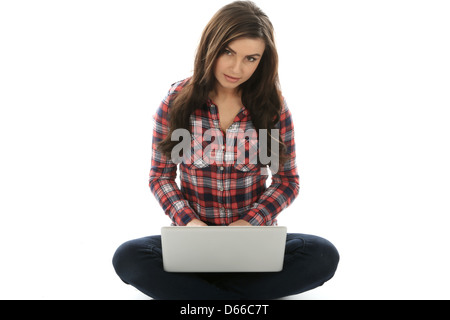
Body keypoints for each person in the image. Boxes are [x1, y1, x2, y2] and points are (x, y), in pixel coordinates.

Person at [113, 0, 339, 300]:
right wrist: (190, 224)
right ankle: (239, 300)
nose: (236, 68)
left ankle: (204, 299)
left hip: (253, 249)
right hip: (193, 249)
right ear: (211, 47)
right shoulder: (176, 103)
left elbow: (287, 181)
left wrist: (248, 225)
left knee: (322, 254)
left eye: (250, 58)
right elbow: (160, 177)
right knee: (129, 256)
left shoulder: (271, 108)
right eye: (228, 52)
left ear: (262, 61)